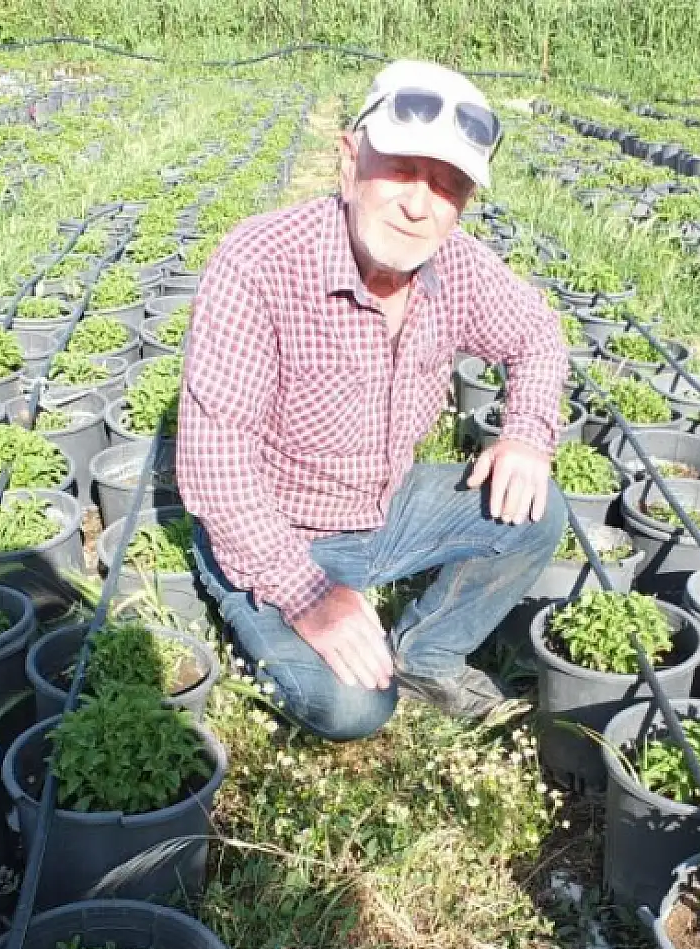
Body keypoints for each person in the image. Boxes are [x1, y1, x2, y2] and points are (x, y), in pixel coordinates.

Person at [176, 59, 569, 741]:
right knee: (354, 707)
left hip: (383, 510)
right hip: (273, 534)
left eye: (447, 185)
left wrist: (527, 434)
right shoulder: (260, 264)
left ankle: (429, 654)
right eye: (402, 171)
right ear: (349, 161)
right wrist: (308, 597)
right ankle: (275, 624)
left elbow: (539, 332)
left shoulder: (459, 268)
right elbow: (217, 468)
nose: (419, 204)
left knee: (537, 511)